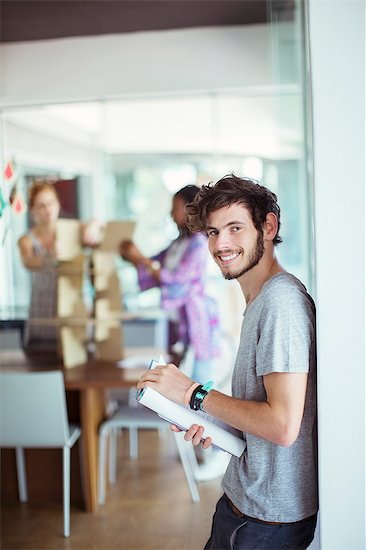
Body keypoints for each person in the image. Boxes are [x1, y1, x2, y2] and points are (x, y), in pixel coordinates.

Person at [137, 175, 318, 550]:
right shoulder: (261, 301)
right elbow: (260, 415)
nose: (221, 244)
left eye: (235, 228)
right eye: (212, 232)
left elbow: (283, 425)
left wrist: (192, 393)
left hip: (266, 520)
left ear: (268, 226)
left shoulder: (281, 304)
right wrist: (208, 421)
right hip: (245, 504)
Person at [120, 184, 229, 480]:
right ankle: (202, 449)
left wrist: (141, 260)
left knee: (202, 391)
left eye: (175, 206)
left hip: (198, 327)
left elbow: (174, 281)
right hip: (180, 328)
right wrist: (136, 258)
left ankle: (219, 453)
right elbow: (153, 267)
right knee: (189, 391)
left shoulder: (197, 244)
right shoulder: (179, 244)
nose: (171, 213)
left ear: (189, 208)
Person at [18, 180, 101, 352]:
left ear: (57, 204)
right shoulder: (26, 239)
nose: (47, 210)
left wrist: (94, 225)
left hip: (74, 307)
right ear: (32, 209)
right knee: (41, 359)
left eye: (50, 203)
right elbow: (28, 262)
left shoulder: (74, 229)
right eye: (41, 206)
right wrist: (49, 255)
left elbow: (100, 224)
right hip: (43, 310)